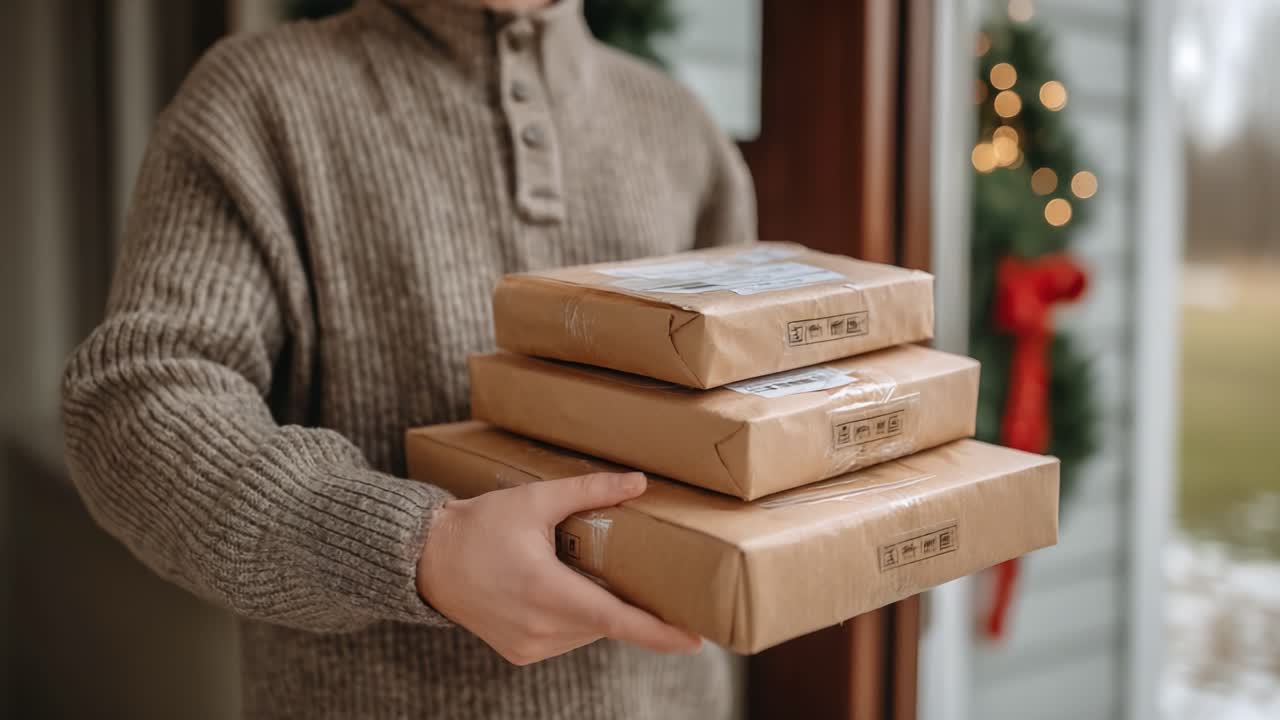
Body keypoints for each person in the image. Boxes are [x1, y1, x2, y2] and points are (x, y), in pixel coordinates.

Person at [61, 0, 755, 716]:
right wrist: (415, 548)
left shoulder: (684, 131)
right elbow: (136, 402)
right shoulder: (259, 99)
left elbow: (732, 425)